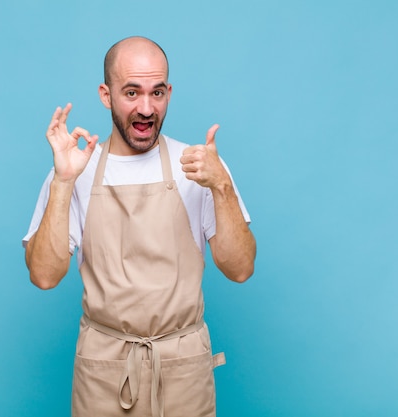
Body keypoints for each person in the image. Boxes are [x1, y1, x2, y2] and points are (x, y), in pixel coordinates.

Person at [22, 36, 256, 417]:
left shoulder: (199, 167)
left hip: (182, 369)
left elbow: (240, 269)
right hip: (105, 370)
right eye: (131, 92)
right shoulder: (74, 171)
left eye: (157, 92)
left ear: (169, 92)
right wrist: (62, 183)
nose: (147, 108)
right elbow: (44, 276)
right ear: (106, 94)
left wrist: (222, 187)